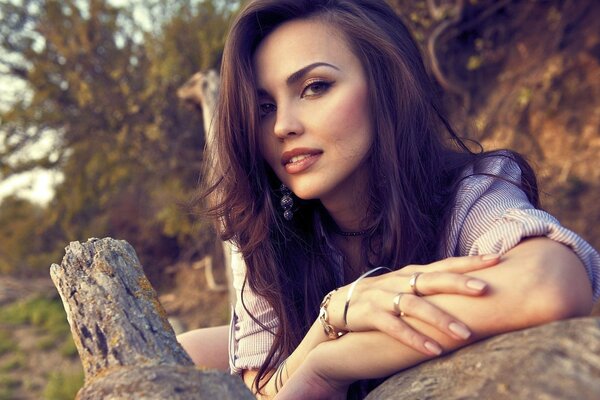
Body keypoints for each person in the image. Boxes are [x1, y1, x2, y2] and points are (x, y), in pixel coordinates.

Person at [177, 0, 600, 399]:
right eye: (264, 107)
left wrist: (331, 358)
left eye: (314, 87)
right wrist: (330, 321)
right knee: (177, 357)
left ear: (385, 84)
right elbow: (265, 389)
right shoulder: (271, 231)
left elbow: (549, 285)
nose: (282, 126)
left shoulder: (467, 192)